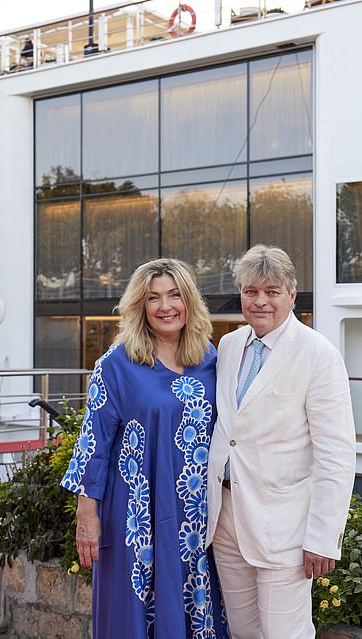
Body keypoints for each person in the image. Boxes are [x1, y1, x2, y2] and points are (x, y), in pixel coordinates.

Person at [60, 258, 229, 639]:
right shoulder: (116, 365)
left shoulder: (212, 360)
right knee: (134, 612)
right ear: (140, 306)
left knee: (196, 607)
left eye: (174, 295)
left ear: (189, 302)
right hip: (137, 513)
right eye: (154, 298)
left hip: (197, 516)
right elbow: (93, 444)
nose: (166, 306)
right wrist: (86, 516)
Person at [206, 245, 357, 639]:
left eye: (272, 291)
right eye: (251, 291)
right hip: (224, 517)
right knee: (241, 630)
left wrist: (324, 539)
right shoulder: (228, 345)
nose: (260, 301)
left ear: (291, 295)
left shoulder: (318, 354)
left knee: (285, 633)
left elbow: (336, 455)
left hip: (284, 526)